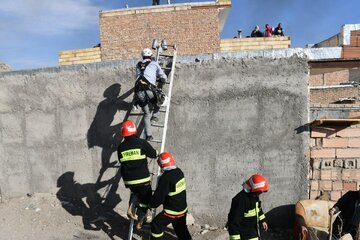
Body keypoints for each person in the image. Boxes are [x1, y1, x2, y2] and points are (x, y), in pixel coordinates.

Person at [117, 120, 158, 229]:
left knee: (136, 191)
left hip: (129, 180)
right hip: (142, 178)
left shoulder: (120, 147)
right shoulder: (141, 143)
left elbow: (122, 161)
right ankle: (141, 218)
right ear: (134, 131)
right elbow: (153, 154)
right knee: (146, 197)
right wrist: (158, 153)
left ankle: (131, 205)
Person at [149, 152, 192, 240]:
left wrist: (150, 204)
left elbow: (159, 197)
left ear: (161, 165)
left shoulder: (166, 178)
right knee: (181, 229)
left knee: (156, 225)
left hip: (171, 211)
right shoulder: (179, 172)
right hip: (182, 209)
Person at [134, 48, 167, 141]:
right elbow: (163, 76)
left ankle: (149, 135)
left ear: (142, 56)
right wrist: (162, 79)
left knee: (146, 114)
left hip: (138, 92)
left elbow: (138, 76)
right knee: (161, 100)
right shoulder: (154, 63)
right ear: (151, 56)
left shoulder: (138, 65)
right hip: (149, 89)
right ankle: (155, 116)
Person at [227, 174, 269, 240]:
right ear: (255, 190)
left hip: (253, 232)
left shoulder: (254, 196)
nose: (260, 193)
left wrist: (263, 221)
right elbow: (234, 222)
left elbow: (258, 209)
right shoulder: (240, 200)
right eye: (259, 192)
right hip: (244, 235)